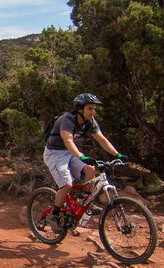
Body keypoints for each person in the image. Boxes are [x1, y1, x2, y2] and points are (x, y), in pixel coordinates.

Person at [43, 93, 124, 232]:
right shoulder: (67, 119)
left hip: (69, 153)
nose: (93, 112)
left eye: (94, 109)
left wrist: (118, 154)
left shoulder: (89, 121)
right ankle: (54, 215)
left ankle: (87, 203)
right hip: (54, 154)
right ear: (80, 109)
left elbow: (102, 140)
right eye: (90, 108)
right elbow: (68, 141)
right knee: (67, 185)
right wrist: (82, 157)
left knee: (90, 170)